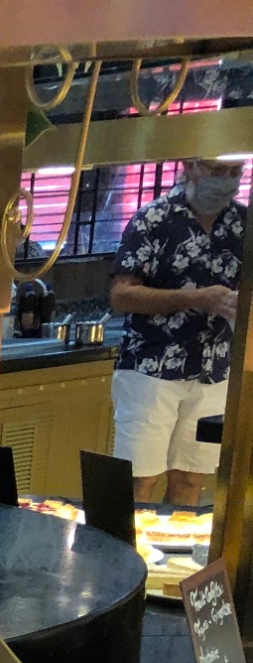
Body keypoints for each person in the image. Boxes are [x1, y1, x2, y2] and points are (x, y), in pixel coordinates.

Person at [109, 158, 246, 509]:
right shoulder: (153, 219)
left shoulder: (243, 223)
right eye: (218, 171)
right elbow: (122, 296)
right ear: (191, 166)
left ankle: (174, 545)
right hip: (152, 369)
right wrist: (197, 298)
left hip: (215, 371)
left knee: (190, 480)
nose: (227, 180)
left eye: (236, 172)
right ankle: (126, 545)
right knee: (139, 480)